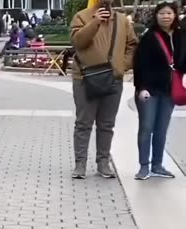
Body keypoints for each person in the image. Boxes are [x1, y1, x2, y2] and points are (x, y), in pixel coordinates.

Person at [69, 0, 137, 179]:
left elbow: (132, 46)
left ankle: (103, 163)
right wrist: (95, 22)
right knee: (84, 123)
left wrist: (121, 66)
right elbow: (78, 42)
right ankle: (80, 164)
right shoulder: (81, 16)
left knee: (106, 124)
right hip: (85, 78)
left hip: (113, 79)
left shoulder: (122, 20)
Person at [132, 1, 183, 180]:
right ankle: (144, 166)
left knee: (161, 129)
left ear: (175, 15)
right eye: (162, 13)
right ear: (156, 16)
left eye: (169, 13)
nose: (166, 16)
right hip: (150, 90)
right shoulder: (149, 36)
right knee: (146, 128)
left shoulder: (180, 35)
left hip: (169, 89)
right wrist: (141, 87)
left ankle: (158, 165)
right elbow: (139, 64)